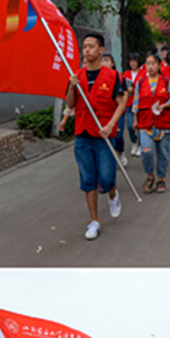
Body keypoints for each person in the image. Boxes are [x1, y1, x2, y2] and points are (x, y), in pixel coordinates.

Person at [65, 31, 127, 240]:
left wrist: (111, 125)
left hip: (103, 135)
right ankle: (94, 221)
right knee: (88, 179)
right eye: (84, 47)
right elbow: (70, 104)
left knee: (107, 177)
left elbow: (121, 103)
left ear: (101, 50)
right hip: (82, 134)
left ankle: (112, 193)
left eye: (91, 46)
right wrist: (72, 87)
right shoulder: (77, 76)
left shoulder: (113, 77)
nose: (87, 50)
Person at [132, 51, 170, 193]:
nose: (150, 66)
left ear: (158, 65)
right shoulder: (140, 83)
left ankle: (161, 179)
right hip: (145, 124)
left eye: (153, 63)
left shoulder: (165, 82)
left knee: (163, 153)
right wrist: (134, 120)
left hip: (163, 123)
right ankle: (150, 175)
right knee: (146, 151)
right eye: (148, 64)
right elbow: (135, 103)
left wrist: (164, 105)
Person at [101, 53, 127, 167]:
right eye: (102, 60)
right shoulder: (99, 78)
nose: (104, 63)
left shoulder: (119, 77)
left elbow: (124, 94)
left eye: (107, 60)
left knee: (118, 136)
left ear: (112, 63)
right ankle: (109, 159)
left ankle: (120, 153)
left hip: (118, 112)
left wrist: (122, 106)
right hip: (105, 113)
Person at [122, 53, 142, 157]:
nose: (133, 63)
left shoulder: (143, 73)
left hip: (140, 102)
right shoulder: (126, 73)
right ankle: (134, 142)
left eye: (135, 61)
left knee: (140, 125)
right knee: (130, 125)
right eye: (131, 61)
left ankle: (140, 145)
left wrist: (134, 90)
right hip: (129, 102)